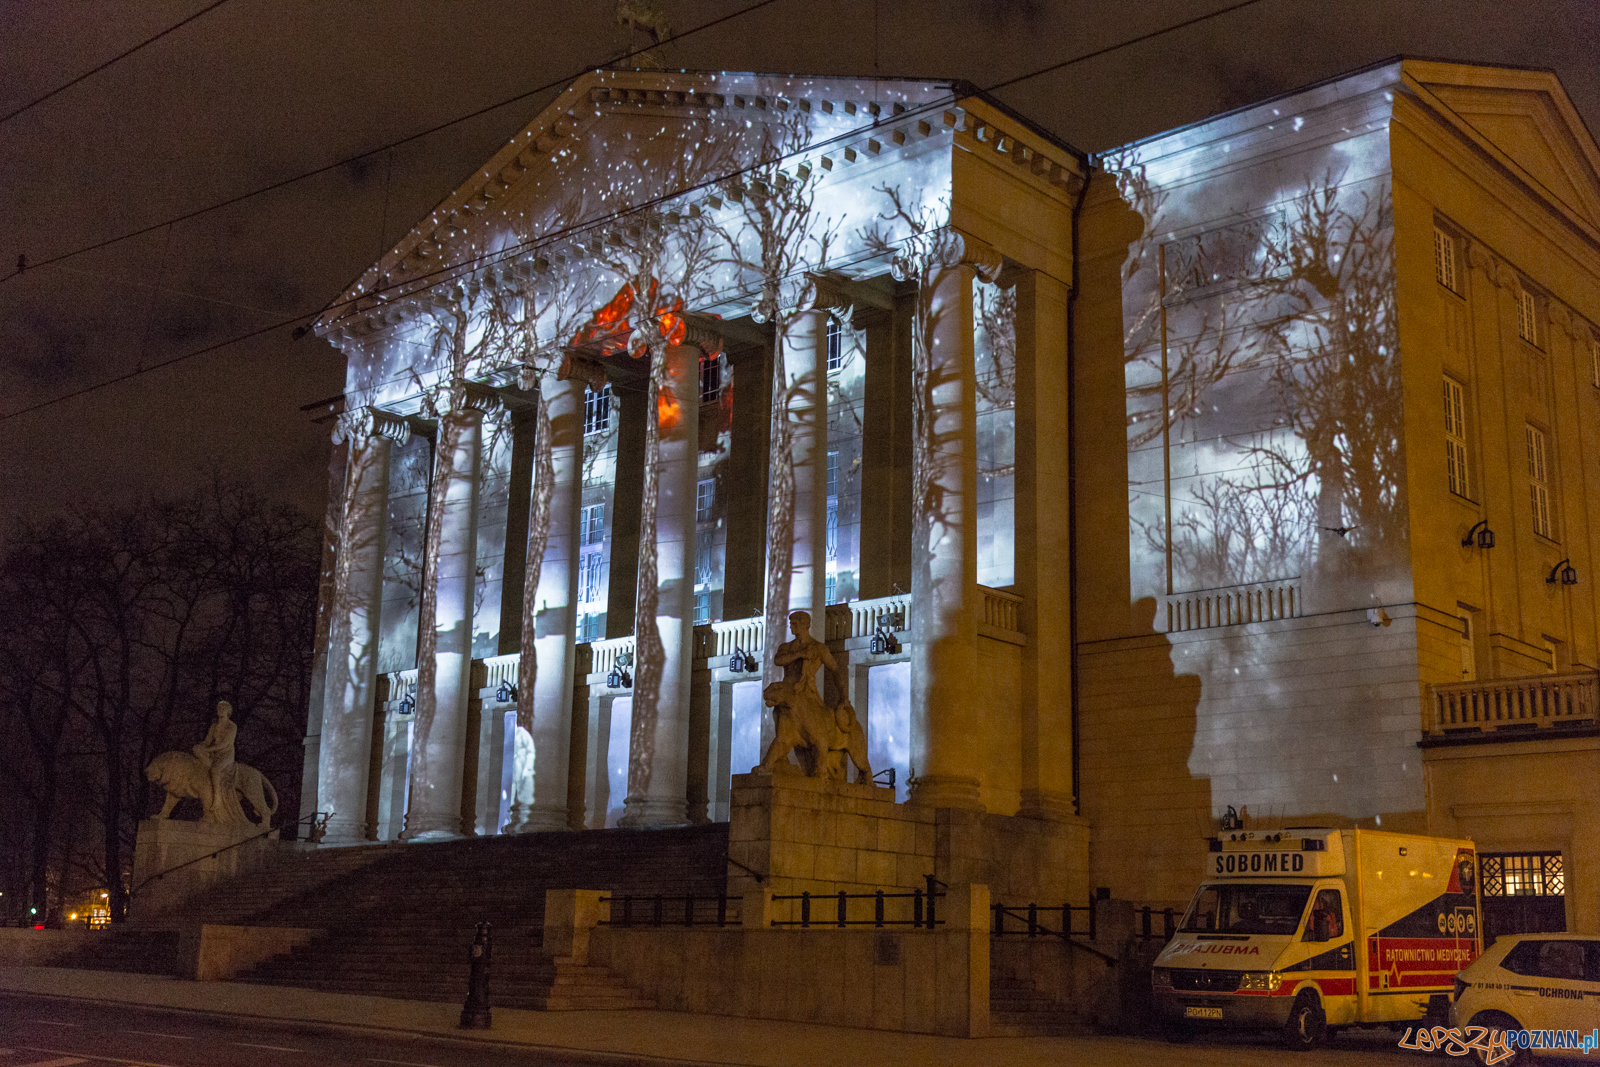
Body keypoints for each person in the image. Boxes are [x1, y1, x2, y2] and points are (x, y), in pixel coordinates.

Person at [192, 700, 239, 822]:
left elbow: (225, 744)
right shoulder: (214, 726)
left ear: (228, 711)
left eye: (224, 708)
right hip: (214, 754)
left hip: (226, 755)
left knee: (215, 770)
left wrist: (207, 749)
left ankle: (217, 798)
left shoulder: (232, 726)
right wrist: (201, 747)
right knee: (196, 752)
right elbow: (207, 741)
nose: (221, 710)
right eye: (219, 707)